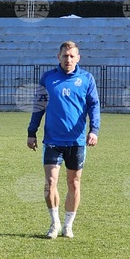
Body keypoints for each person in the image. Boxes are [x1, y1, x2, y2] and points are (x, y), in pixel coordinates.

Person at [26, 40, 100, 239]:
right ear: (58, 57)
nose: (68, 59)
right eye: (65, 56)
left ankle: (68, 225)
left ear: (78, 58)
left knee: (74, 183)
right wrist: (32, 132)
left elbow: (94, 106)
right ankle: (54, 223)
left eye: (72, 56)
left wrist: (94, 130)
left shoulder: (86, 79)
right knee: (50, 182)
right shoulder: (48, 78)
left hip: (76, 141)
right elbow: (39, 106)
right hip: (52, 140)